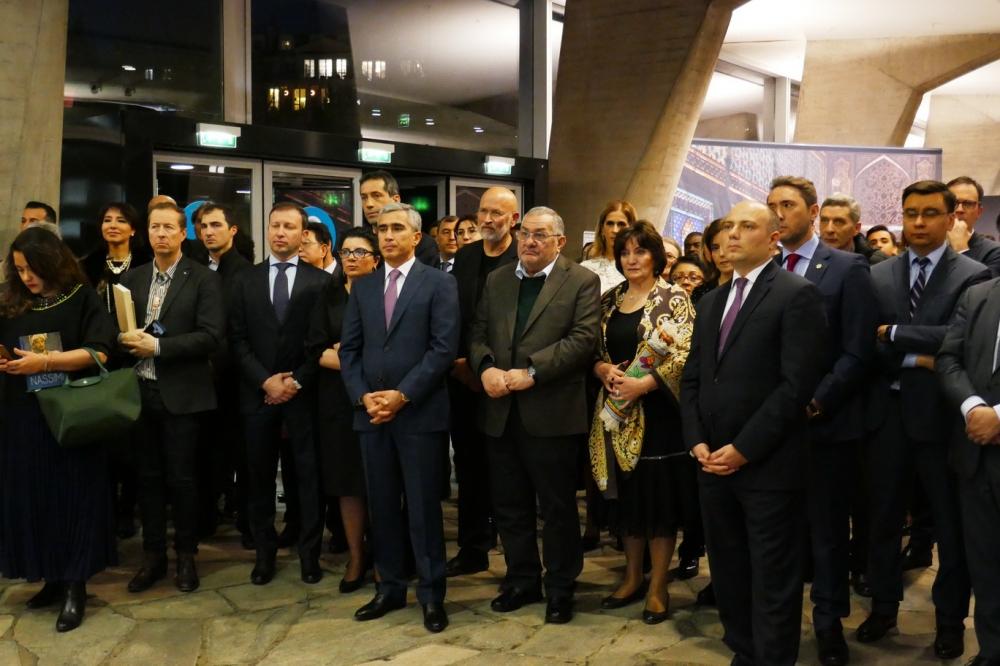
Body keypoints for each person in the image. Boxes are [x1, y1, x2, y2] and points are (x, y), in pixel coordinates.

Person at [680, 200, 828, 665]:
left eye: (747, 226)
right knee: (727, 570)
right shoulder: (710, 300)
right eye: (729, 227)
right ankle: (743, 651)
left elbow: (795, 387)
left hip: (767, 466)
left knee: (772, 577)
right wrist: (697, 440)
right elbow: (693, 378)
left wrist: (743, 449)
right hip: (712, 462)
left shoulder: (795, 293)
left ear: (773, 237)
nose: (733, 235)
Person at [859, 180, 990, 660]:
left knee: (949, 528)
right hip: (886, 417)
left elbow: (957, 342)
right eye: (910, 213)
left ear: (952, 216)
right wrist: (918, 354)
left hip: (943, 421)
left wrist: (897, 337)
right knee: (882, 521)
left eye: (930, 213)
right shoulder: (879, 273)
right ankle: (883, 608)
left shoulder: (973, 276)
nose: (917, 223)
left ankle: (950, 622)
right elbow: (865, 344)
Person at [469, 206, 601, 625]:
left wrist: (532, 372)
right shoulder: (497, 280)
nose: (529, 241)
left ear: (559, 242)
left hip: (551, 413)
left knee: (558, 508)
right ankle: (522, 578)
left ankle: (561, 587)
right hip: (501, 412)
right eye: (525, 232)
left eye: (540, 235)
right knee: (510, 505)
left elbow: (582, 341)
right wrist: (485, 366)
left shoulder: (581, 280)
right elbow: (477, 333)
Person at [768, 175, 879, 666]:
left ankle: (829, 624)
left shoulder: (847, 268)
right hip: (770, 429)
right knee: (779, 534)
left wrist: (816, 402)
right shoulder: (764, 268)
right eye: (771, 205)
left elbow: (858, 351)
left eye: (787, 205)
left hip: (824, 425)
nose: (777, 214)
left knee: (828, 534)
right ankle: (775, 625)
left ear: (812, 212)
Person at [339, 203, 459, 633]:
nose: (387, 236)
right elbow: (349, 350)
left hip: (419, 414)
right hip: (371, 415)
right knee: (382, 505)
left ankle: (431, 594)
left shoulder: (439, 283)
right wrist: (363, 396)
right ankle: (389, 587)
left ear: (415, 236)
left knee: (423, 508)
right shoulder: (365, 286)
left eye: (395, 229)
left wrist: (403, 395)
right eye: (381, 229)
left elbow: (443, 349)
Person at [0, 227, 118, 632]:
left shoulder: (82, 298)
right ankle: (50, 575)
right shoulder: (13, 302)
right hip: (23, 417)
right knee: (36, 498)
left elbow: (100, 351)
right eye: (19, 270)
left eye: (32, 268)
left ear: (53, 262)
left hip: (71, 416)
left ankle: (75, 585)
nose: (27, 277)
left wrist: (45, 362)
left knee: (73, 499)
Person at [589, 220, 694, 624]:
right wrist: (601, 369)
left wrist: (644, 385)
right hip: (614, 411)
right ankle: (632, 577)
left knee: (659, 503)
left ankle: (658, 586)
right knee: (628, 500)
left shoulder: (675, 298)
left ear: (656, 256)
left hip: (658, 414)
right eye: (625, 253)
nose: (632, 259)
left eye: (640, 251)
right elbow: (592, 347)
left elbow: (686, 356)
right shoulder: (610, 299)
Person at [119, 202, 224, 595]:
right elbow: (119, 330)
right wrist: (125, 341)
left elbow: (212, 336)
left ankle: (186, 557)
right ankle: (153, 557)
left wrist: (158, 347)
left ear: (183, 234)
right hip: (139, 392)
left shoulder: (201, 279)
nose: (161, 234)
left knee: (182, 480)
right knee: (146, 479)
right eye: (154, 227)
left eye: (168, 228)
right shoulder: (133, 279)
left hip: (183, 395)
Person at [228, 202, 330, 586]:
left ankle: (309, 554)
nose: (280, 232)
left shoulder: (319, 281)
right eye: (275, 226)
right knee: (257, 477)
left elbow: (319, 343)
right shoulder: (245, 280)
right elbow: (236, 339)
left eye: (289, 226)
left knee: (306, 477)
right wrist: (265, 381)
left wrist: (294, 382)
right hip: (257, 395)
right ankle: (264, 554)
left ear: (304, 234)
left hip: (303, 397)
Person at [445, 187, 521, 577]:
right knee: (469, 466)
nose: (487, 219)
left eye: (497, 213)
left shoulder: (520, 259)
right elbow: (457, 314)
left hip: (503, 381)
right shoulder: (466, 256)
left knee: (504, 471)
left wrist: (487, 369)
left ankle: (514, 556)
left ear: (514, 219)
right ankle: (472, 547)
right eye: (483, 211)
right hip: (462, 376)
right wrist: (461, 364)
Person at [305, 227, 381, 593]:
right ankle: (356, 555)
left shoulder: (387, 293)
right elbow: (317, 350)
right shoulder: (328, 294)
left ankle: (385, 555)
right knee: (347, 482)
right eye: (346, 252)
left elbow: (392, 351)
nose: (351, 258)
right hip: (337, 401)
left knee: (382, 482)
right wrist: (360, 359)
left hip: (381, 400)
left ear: (376, 260)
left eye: (360, 252)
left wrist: (348, 355)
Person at [937, 277, 1000, 666]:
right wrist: (974, 406)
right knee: (987, 568)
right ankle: (993, 652)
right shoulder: (978, 295)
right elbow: (948, 358)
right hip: (976, 458)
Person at [80, 202, 149, 539]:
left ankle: (127, 509)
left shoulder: (144, 264)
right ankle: (105, 509)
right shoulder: (88, 265)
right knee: (103, 439)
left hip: (136, 356)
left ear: (133, 229)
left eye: (121, 220)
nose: (113, 226)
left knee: (132, 442)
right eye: (107, 220)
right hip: (97, 358)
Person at [199, 203, 253, 543]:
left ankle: (249, 524)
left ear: (232, 230)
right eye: (203, 226)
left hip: (236, 381)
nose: (208, 231)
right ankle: (206, 520)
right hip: (202, 383)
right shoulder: (196, 271)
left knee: (243, 458)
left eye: (216, 224)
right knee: (205, 456)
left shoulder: (246, 274)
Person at [359, 170, 438, 265]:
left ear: (396, 200)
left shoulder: (423, 244)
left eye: (376, 196)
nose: (369, 204)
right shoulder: (358, 240)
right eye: (364, 198)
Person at [580, 200, 637, 294]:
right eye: (610, 224)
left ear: (631, 228)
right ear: (602, 228)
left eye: (621, 224)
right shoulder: (585, 268)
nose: (615, 230)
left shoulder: (637, 267)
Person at [948, 176, 1000, 276]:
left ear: (979, 212)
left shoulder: (994, 253)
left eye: (968, 204)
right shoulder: (931, 247)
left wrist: (961, 249)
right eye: (953, 203)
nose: (959, 210)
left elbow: (984, 290)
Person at [818, 193, 888, 265]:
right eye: (824, 221)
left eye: (838, 222)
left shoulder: (877, 262)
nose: (829, 229)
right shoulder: (809, 257)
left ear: (856, 228)